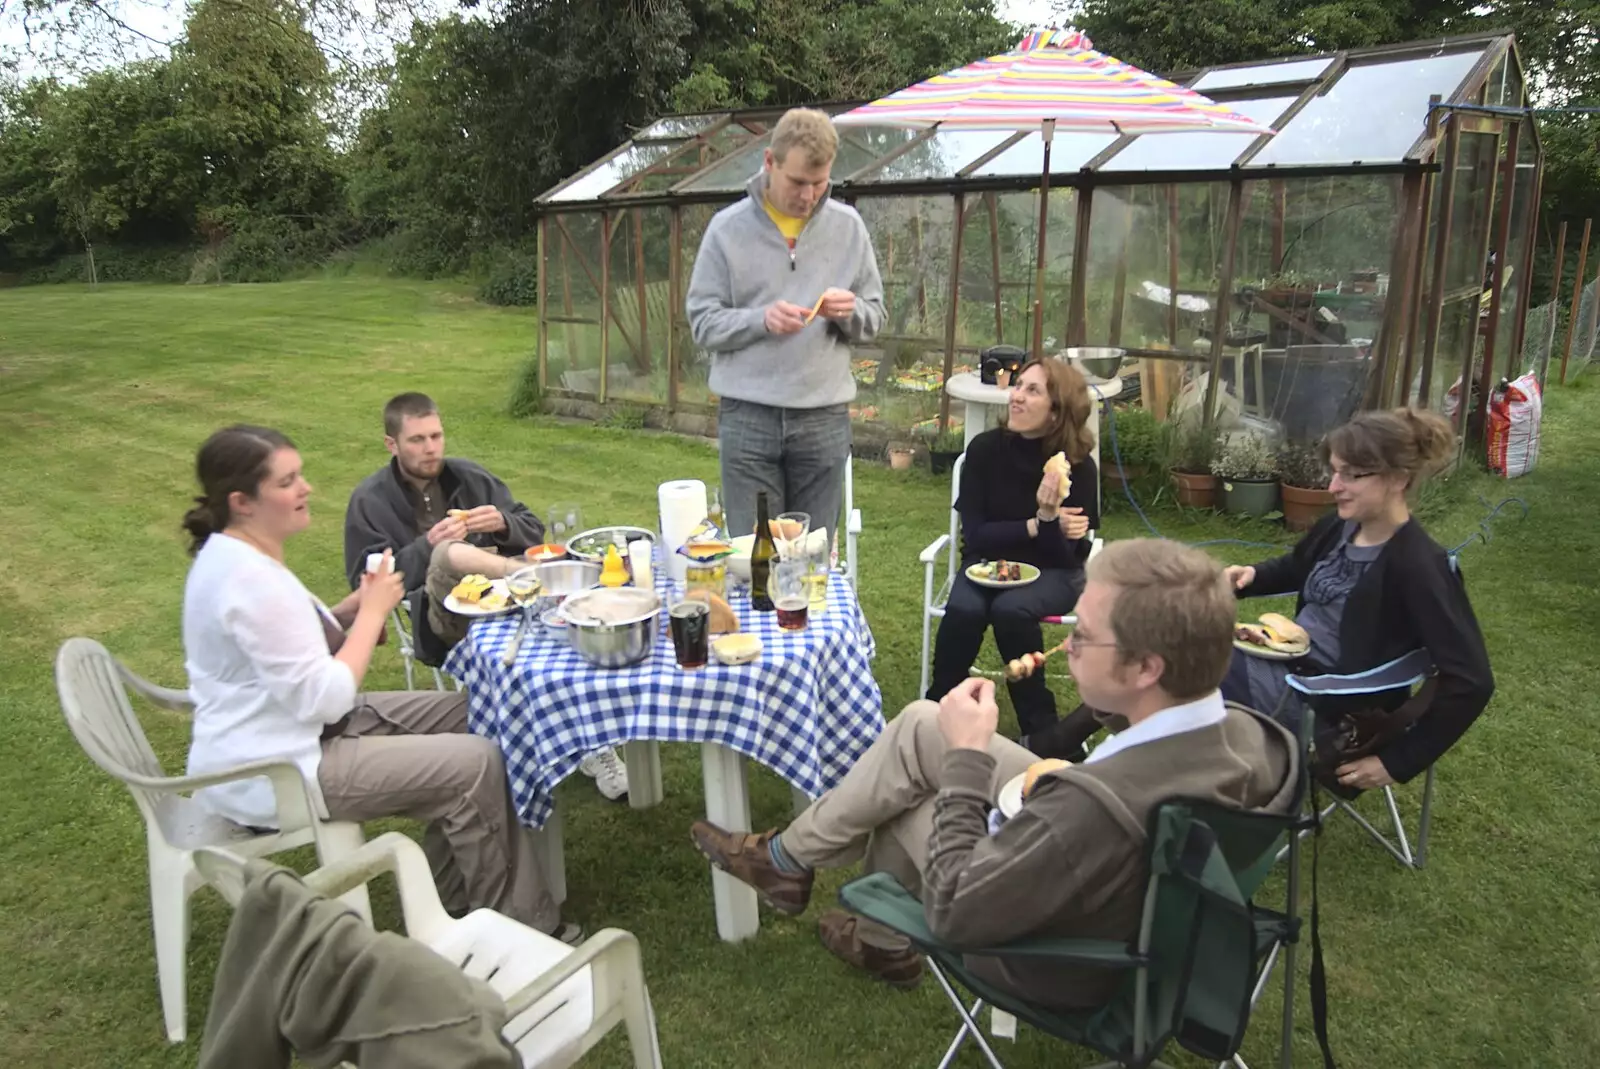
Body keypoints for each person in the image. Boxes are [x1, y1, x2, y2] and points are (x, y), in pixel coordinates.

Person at [691, 539, 1298, 1007]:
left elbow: (957, 906)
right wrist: (1111, 712)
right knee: (923, 724)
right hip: (1123, 886)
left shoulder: (1092, 806)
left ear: (1146, 668)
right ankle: (795, 867)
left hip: (1058, 955)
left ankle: (839, 904)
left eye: (1084, 635)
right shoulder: (1257, 737)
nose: (1067, 642)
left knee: (911, 787)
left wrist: (967, 764)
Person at [181, 425, 575, 941]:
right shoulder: (247, 581)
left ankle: (453, 897)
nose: (306, 489)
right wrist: (370, 616)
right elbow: (325, 696)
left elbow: (289, 646)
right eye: (287, 481)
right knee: (475, 762)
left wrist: (348, 608)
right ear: (243, 502)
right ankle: (523, 929)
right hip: (279, 767)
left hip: (296, 730)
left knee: (482, 710)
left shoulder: (238, 556)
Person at [343, 392, 628, 801]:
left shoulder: (468, 477)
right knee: (447, 553)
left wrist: (503, 524)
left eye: (436, 436)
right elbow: (364, 583)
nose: (431, 448)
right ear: (392, 444)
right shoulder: (369, 501)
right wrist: (427, 547)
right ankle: (549, 579)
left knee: (567, 643)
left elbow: (531, 528)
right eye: (417, 440)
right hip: (440, 613)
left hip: (508, 600)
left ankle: (591, 743)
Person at [1220, 407, 1494, 794]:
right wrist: (1253, 576)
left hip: (1326, 702)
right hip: (1286, 664)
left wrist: (1396, 762)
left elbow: (1472, 681)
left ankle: (1166, 789)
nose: (1333, 486)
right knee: (1165, 646)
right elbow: (1298, 566)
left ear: (1398, 478)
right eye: (1334, 471)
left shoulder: (1420, 567)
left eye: (1350, 474)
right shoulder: (1342, 525)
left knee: (1179, 672)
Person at [685, 107, 886, 540]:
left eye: (819, 183)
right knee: (755, 554)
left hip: (823, 418)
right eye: (798, 182)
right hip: (748, 417)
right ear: (769, 163)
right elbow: (702, 322)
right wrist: (761, 319)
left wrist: (849, 313)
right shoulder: (726, 230)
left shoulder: (849, 228)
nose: (809, 194)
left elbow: (875, 318)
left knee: (812, 557)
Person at [927, 358, 1099, 743]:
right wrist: (1041, 522)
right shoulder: (986, 450)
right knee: (965, 608)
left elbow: (1065, 556)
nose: (1015, 396)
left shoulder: (1078, 468)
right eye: (1018, 386)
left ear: (1057, 412)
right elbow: (975, 535)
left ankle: (1043, 732)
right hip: (986, 563)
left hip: (1057, 573)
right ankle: (937, 709)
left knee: (1011, 610)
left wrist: (1049, 515)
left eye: (1031, 390)